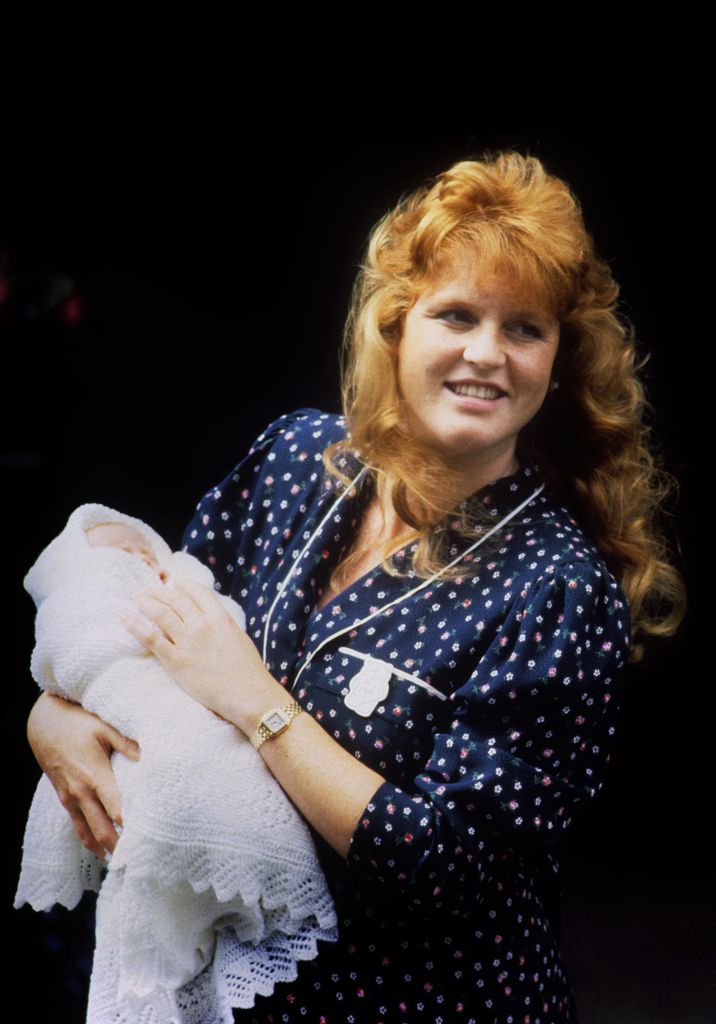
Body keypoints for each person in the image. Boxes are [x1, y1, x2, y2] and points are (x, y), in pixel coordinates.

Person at [26, 151, 685, 1023]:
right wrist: (52, 718)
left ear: (559, 362)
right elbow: (152, 650)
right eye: (457, 315)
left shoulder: (556, 593)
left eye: (525, 329)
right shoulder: (297, 461)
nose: (487, 354)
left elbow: (450, 865)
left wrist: (256, 701)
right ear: (397, 327)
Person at [17, 503, 336, 1024]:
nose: (142, 559)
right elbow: (75, 641)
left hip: (348, 987)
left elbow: (220, 625)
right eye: (123, 555)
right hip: (147, 739)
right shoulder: (287, 464)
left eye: (145, 549)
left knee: (189, 783)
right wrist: (50, 708)